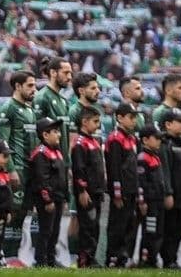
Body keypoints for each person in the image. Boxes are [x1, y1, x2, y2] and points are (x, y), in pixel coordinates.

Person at [0, 70, 36, 259]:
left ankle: (14, 256)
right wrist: (11, 169)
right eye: (30, 85)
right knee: (11, 212)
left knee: (23, 214)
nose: (34, 89)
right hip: (17, 170)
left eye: (35, 85)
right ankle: (2, 254)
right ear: (18, 86)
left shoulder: (29, 110)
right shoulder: (8, 108)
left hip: (30, 170)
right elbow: (4, 142)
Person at [105, 103, 140, 267]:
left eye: (135, 117)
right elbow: (114, 168)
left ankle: (123, 256)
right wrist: (116, 193)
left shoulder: (132, 138)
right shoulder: (115, 139)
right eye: (131, 117)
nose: (134, 121)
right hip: (121, 191)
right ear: (119, 118)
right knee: (117, 225)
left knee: (129, 224)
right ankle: (112, 257)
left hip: (132, 188)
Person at [29, 117, 67, 268]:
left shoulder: (56, 152)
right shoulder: (40, 153)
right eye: (55, 132)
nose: (59, 135)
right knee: (46, 230)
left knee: (55, 231)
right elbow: (41, 179)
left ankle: (51, 260)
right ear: (45, 135)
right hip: (47, 200)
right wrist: (48, 200)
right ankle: (41, 261)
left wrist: (64, 198)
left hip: (58, 198)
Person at [70, 105, 105, 267]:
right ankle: (84, 259)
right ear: (84, 122)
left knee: (95, 226)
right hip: (87, 192)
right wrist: (82, 191)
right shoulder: (80, 143)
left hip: (97, 191)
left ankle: (92, 257)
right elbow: (79, 169)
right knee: (87, 227)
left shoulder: (94, 141)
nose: (98, 125)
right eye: (95, 121)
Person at [159, 108, 181, 269]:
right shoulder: (165, 144)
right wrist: (168, 193)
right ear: (168, 124)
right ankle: (168, 260)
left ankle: (173, 259)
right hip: (174, 196)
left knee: (180, 228)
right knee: (170, 229)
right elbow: (165, 170)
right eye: (180, 121)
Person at [136, 124, 167, 268]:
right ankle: (146, 259)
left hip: (158, 201)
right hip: (150, 202)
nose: (159, 141)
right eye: (156, 138)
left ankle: (153, 259)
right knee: (150, 231)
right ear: (145, 140)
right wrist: (142, 201)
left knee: (158, 232)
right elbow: (141, 183)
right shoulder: (143, 158)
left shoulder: (155, 157)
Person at [33, 57, 72, 154]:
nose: (70, 77)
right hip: (48, 161)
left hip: (62, 160)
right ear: (53, 73)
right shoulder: (42, 98)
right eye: (66, 73)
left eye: (70, 73)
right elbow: (37, 135)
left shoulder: (64, 101)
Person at [67, 72, 102, 139]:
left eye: (98, 87)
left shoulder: (97, 109)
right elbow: (72, 141)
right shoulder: (74, 112)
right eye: (93, 88)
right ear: (81, 91)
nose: (98, 91)